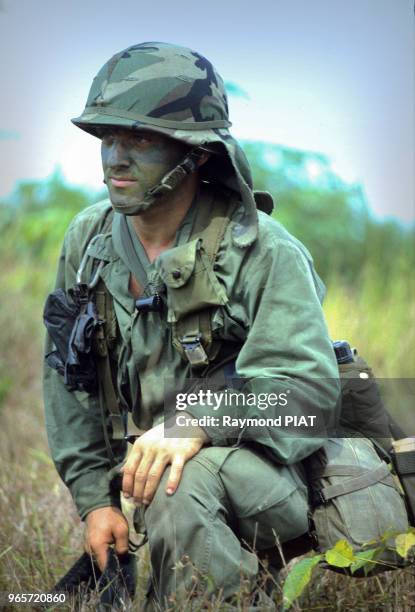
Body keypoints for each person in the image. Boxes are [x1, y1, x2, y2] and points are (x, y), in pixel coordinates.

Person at [43, 41, 340, 609]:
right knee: (175, 484)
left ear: (197, 156)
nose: (115, 159)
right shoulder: (89, 241)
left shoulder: (263, 250)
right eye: (108, 138)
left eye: (142, 139)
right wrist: (97, 501)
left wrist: (197, 420)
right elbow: (69, 382)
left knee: (183, 484)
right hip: (163, 469)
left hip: (273, 480)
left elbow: (312, 396)